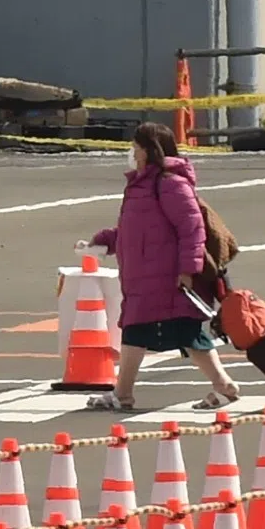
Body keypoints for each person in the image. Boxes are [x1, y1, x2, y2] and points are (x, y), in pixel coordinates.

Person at [82, 121, 241, 413]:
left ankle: (222, 386)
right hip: (145, 278)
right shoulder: (141, 185)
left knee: (182, 333)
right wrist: (104, 241)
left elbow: (192, 230)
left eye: (136, 146)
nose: (132, 151)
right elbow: (135, 230)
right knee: (144, 331)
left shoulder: (168, 183)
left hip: (166, 278)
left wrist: (188, 270)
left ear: (148, 150)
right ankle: (125, 393)